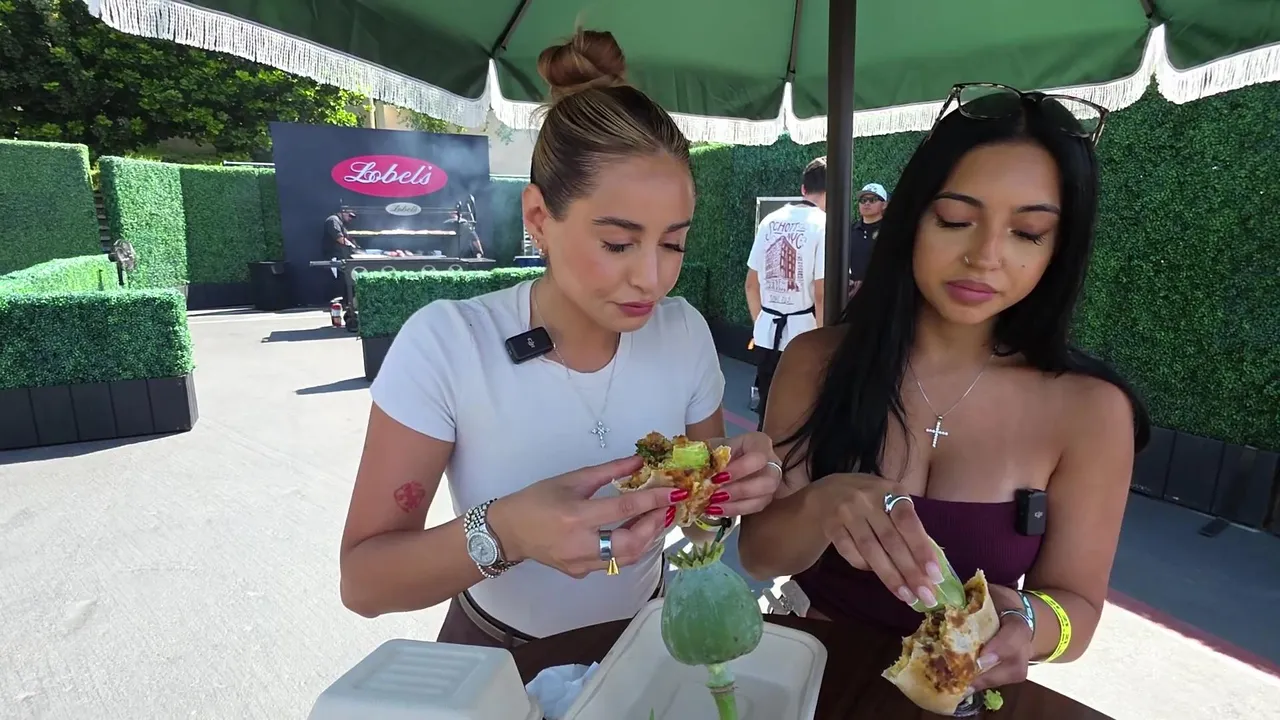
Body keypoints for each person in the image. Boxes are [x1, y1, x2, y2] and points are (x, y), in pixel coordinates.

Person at [339, 29, 783, 649]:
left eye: (673, 243)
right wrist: (508, 532)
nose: (651, 278)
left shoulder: (682, 331)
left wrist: (732, 487)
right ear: (539, 218)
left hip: (646, 644)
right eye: (618, 243)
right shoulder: (450, 344)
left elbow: (702, 525)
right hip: (498, 656)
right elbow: (364, 583)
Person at [737, 83, 1151, 694]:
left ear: (1059, 248)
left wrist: (1028, 620)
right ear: (912, 217)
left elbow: (1077, 613)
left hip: (961, 698)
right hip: (801, 680)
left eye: (1028, 232)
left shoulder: (1091, 411)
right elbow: (759, 554)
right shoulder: (817, 361)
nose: (986, 256)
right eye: (956, 220)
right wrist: (823, 504)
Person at [743, 156, 827, 431]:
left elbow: (751, 284)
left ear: (803, 189)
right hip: (804, 336)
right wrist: (824, 343)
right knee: (801, 417)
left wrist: (761, 322)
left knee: (767, 412)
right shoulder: (823, 224)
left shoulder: (770, 220)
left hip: (767, 332)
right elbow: (821, 294)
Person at [848, 182, 887, 295]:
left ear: (884, 204)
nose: (867, 203)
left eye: (873, 200)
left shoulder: (891, 231)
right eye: (863, 200)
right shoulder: (850, 231)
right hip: (853, 295)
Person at [321, 207, 360, 305]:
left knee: (346, 282)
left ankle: (347, 302)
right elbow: (340, 238)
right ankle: (340, 304)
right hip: (335, 258)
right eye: (350, 216)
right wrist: (353, 247)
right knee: (340, 282)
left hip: (343, 258)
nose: (351, 218)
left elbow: (348, 238)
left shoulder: (342, 223)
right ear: (343, 212)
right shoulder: (333, 220)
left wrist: (357, 247)